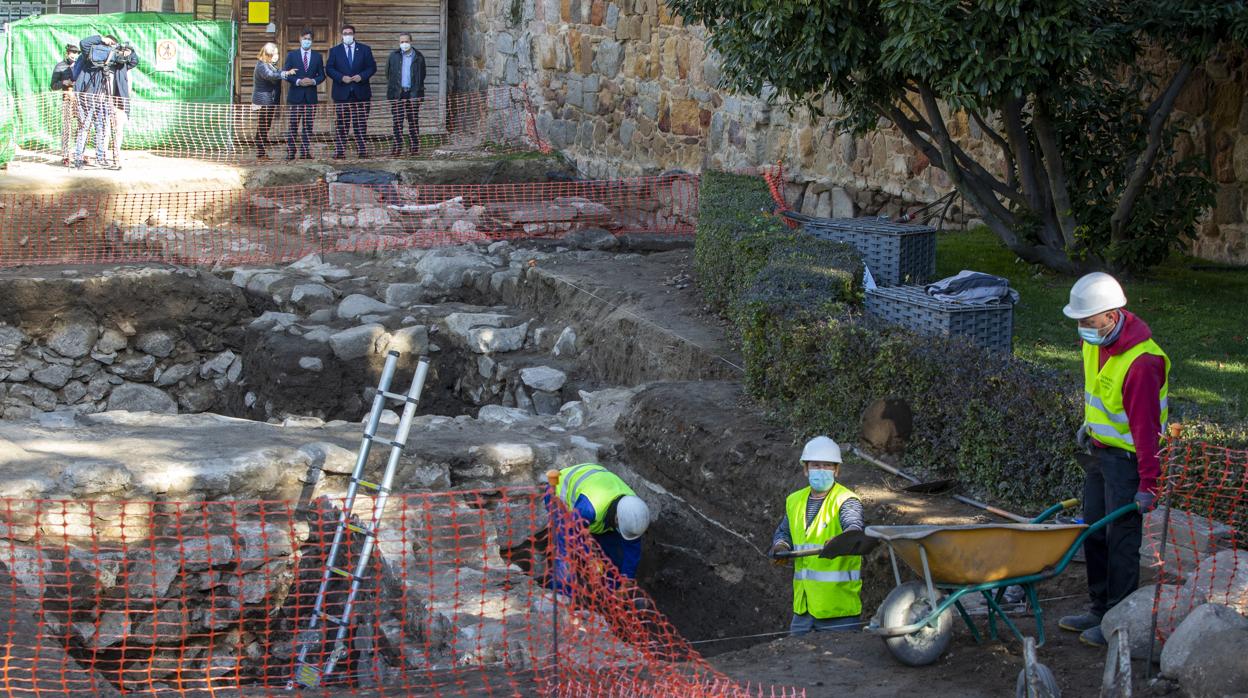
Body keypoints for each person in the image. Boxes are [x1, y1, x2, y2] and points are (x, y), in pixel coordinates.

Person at [1057, 272, 1169, 648]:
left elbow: (1146, 429)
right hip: (1100, 451)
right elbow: (1098, 391)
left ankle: (1118, 617)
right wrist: (1088, 425)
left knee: (1121, 538)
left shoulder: (1142, 363)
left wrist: (1149, 485)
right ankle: (1098, 606)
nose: (1081, 327)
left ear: (1110, 315)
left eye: (1087, 321)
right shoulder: (1094, 341)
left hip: (1127, 462)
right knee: (1092, 529)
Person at [769, 436, 865, 635]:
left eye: (828, 465)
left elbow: (854, 527)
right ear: (806, 469)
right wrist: (781, 546)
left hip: (838, 610)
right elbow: (784, 531)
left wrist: (842, 540)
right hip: (803, 609)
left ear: (836, 470)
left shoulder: (846, 500)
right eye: (816, 465)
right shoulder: (794, 501)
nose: (821, 469)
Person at [545, 464, 651, 587]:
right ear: (617, 519)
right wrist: (590, 558)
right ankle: (560, 594)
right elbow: (572, 535)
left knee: (614, 554)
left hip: (598, 503)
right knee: (566, 555)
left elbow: (632, 549)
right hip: (558, 493)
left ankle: (611, 596)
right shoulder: (589, 508)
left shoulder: (633, 512)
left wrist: (627, 581)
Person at [71, 34, 124, 169]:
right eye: (109, 44)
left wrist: (126, 50)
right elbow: (83, 42)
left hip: (101, 96)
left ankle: (101, 157)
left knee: (101, 128)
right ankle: (78, 158)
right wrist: (101, 39)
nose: (109, 47)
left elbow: (132, 60)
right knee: (84, 126)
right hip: (86, 94)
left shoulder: (111, 56)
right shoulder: (91, 51)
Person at [325, 24, 376, 159]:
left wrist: (362, 76)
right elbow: (329, 69)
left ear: (354, 34)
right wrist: (341, 77)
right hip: (342, 93)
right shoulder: (335, 51)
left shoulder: (365, 49)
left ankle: (362, 150)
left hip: (361, 93)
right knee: (342, 124)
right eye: (345, 33)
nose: (347, 35)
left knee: (360, 123)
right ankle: (340, 151)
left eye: (350, 33)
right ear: (342, 35)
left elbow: (372, 67)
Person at [283, 29, 325, 160]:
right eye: (304, 38)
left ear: (312, 41)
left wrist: (313, 81)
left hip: (310, 97)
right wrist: (298, 81)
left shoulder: (318, 57)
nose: (307, 41)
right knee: (293, 126)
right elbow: (286, 73)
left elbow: (322, 75)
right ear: (300, 39)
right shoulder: (292, 55)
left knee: (308, 126)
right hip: (295, 96)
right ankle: (291, 152)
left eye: (309, 39)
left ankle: (305, 152)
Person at [385, 33, 426, 156]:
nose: (404, 44)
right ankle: (397, 147)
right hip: (398, 93)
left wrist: (417, 90)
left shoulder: (419, 57)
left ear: (411, 42)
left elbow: (422, 75)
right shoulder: (394, 56)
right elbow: (388, 73)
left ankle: (414, 147)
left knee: (413, 120)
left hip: (413, 93)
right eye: (401, 42)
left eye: (406, 41)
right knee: (397, 121)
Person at [103, 35, 138, 170]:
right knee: (105, 130)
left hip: (120, 103)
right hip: (106, 101)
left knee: (118, 131)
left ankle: (116, 157)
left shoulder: (124, 65)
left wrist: (129, 50)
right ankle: (103, 156)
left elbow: (134, 60)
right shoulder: (105, 64)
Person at [252, 43, 293, 159]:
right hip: (263, 100)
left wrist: (283, 73)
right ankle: (260, 153)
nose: (276, 56)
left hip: (269, 100)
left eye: (277, 54)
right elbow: (270, 76)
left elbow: (275, 73)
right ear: (267, 54)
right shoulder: (262, 65)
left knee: (265, 126)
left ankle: (261, 151)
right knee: (263, 126)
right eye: (274, 54)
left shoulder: (270, 65)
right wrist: (285, 73)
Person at [51, 43, 80, 166]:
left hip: (80, 100)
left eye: (77, 53)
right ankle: (66, 155)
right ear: (67, 53)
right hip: (67, 99)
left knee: (82, 127)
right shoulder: (60, 66)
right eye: (72, 52)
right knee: (67, 128)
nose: (75, 55)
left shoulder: (80, 65)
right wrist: (64, 82)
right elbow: (53, 86)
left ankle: (80, 154)